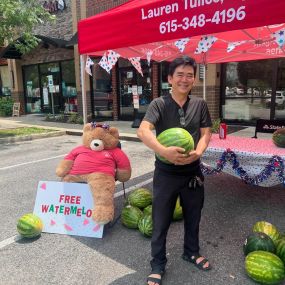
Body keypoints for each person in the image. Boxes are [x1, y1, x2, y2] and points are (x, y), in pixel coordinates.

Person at [137, 55, 212, 285]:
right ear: (170, 78)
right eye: (179, 74)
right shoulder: (158, 104)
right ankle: (158, 263)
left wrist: (198, 152)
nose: (185, 79)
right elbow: (143, 131)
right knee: (160, 220)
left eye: (189, 75)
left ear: (194, 79)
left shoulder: (200, 104)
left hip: (192, 173)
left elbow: (206, 132)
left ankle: (191, 251)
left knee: (193, 216)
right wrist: (163, 150)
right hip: (166, 173)